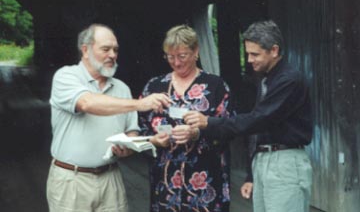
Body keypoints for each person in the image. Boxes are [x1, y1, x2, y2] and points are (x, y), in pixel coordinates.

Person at [184, 20, 313, 212]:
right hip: (266, 160)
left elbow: (259, 120)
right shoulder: (267, 80)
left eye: (255, 54)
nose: (250, 59)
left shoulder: (289, 80)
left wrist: (208, 122)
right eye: (248, 53)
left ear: (274, 50)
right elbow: (260, 130)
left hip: (285, 162)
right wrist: (252, 176)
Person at [46, 23, 171, 212]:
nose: (112, 55)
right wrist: (141, 103)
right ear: (85, 50)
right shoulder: (65, 76)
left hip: (110, 178)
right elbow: (87, 103)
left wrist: (128, 148)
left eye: (115, 50)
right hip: (72, 180)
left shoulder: (122, 88)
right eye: (106, 49)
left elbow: (131, 131)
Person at [139, 25, 233, 212]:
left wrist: (198, 133)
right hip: (165, 182)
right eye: (170, 57)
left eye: (182, 56)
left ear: (196, 51)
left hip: (206, 180)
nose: (176, 63)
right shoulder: (154, 86)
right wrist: (154, 140)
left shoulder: (215, 86)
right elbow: (140, 129)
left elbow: (229, 128)